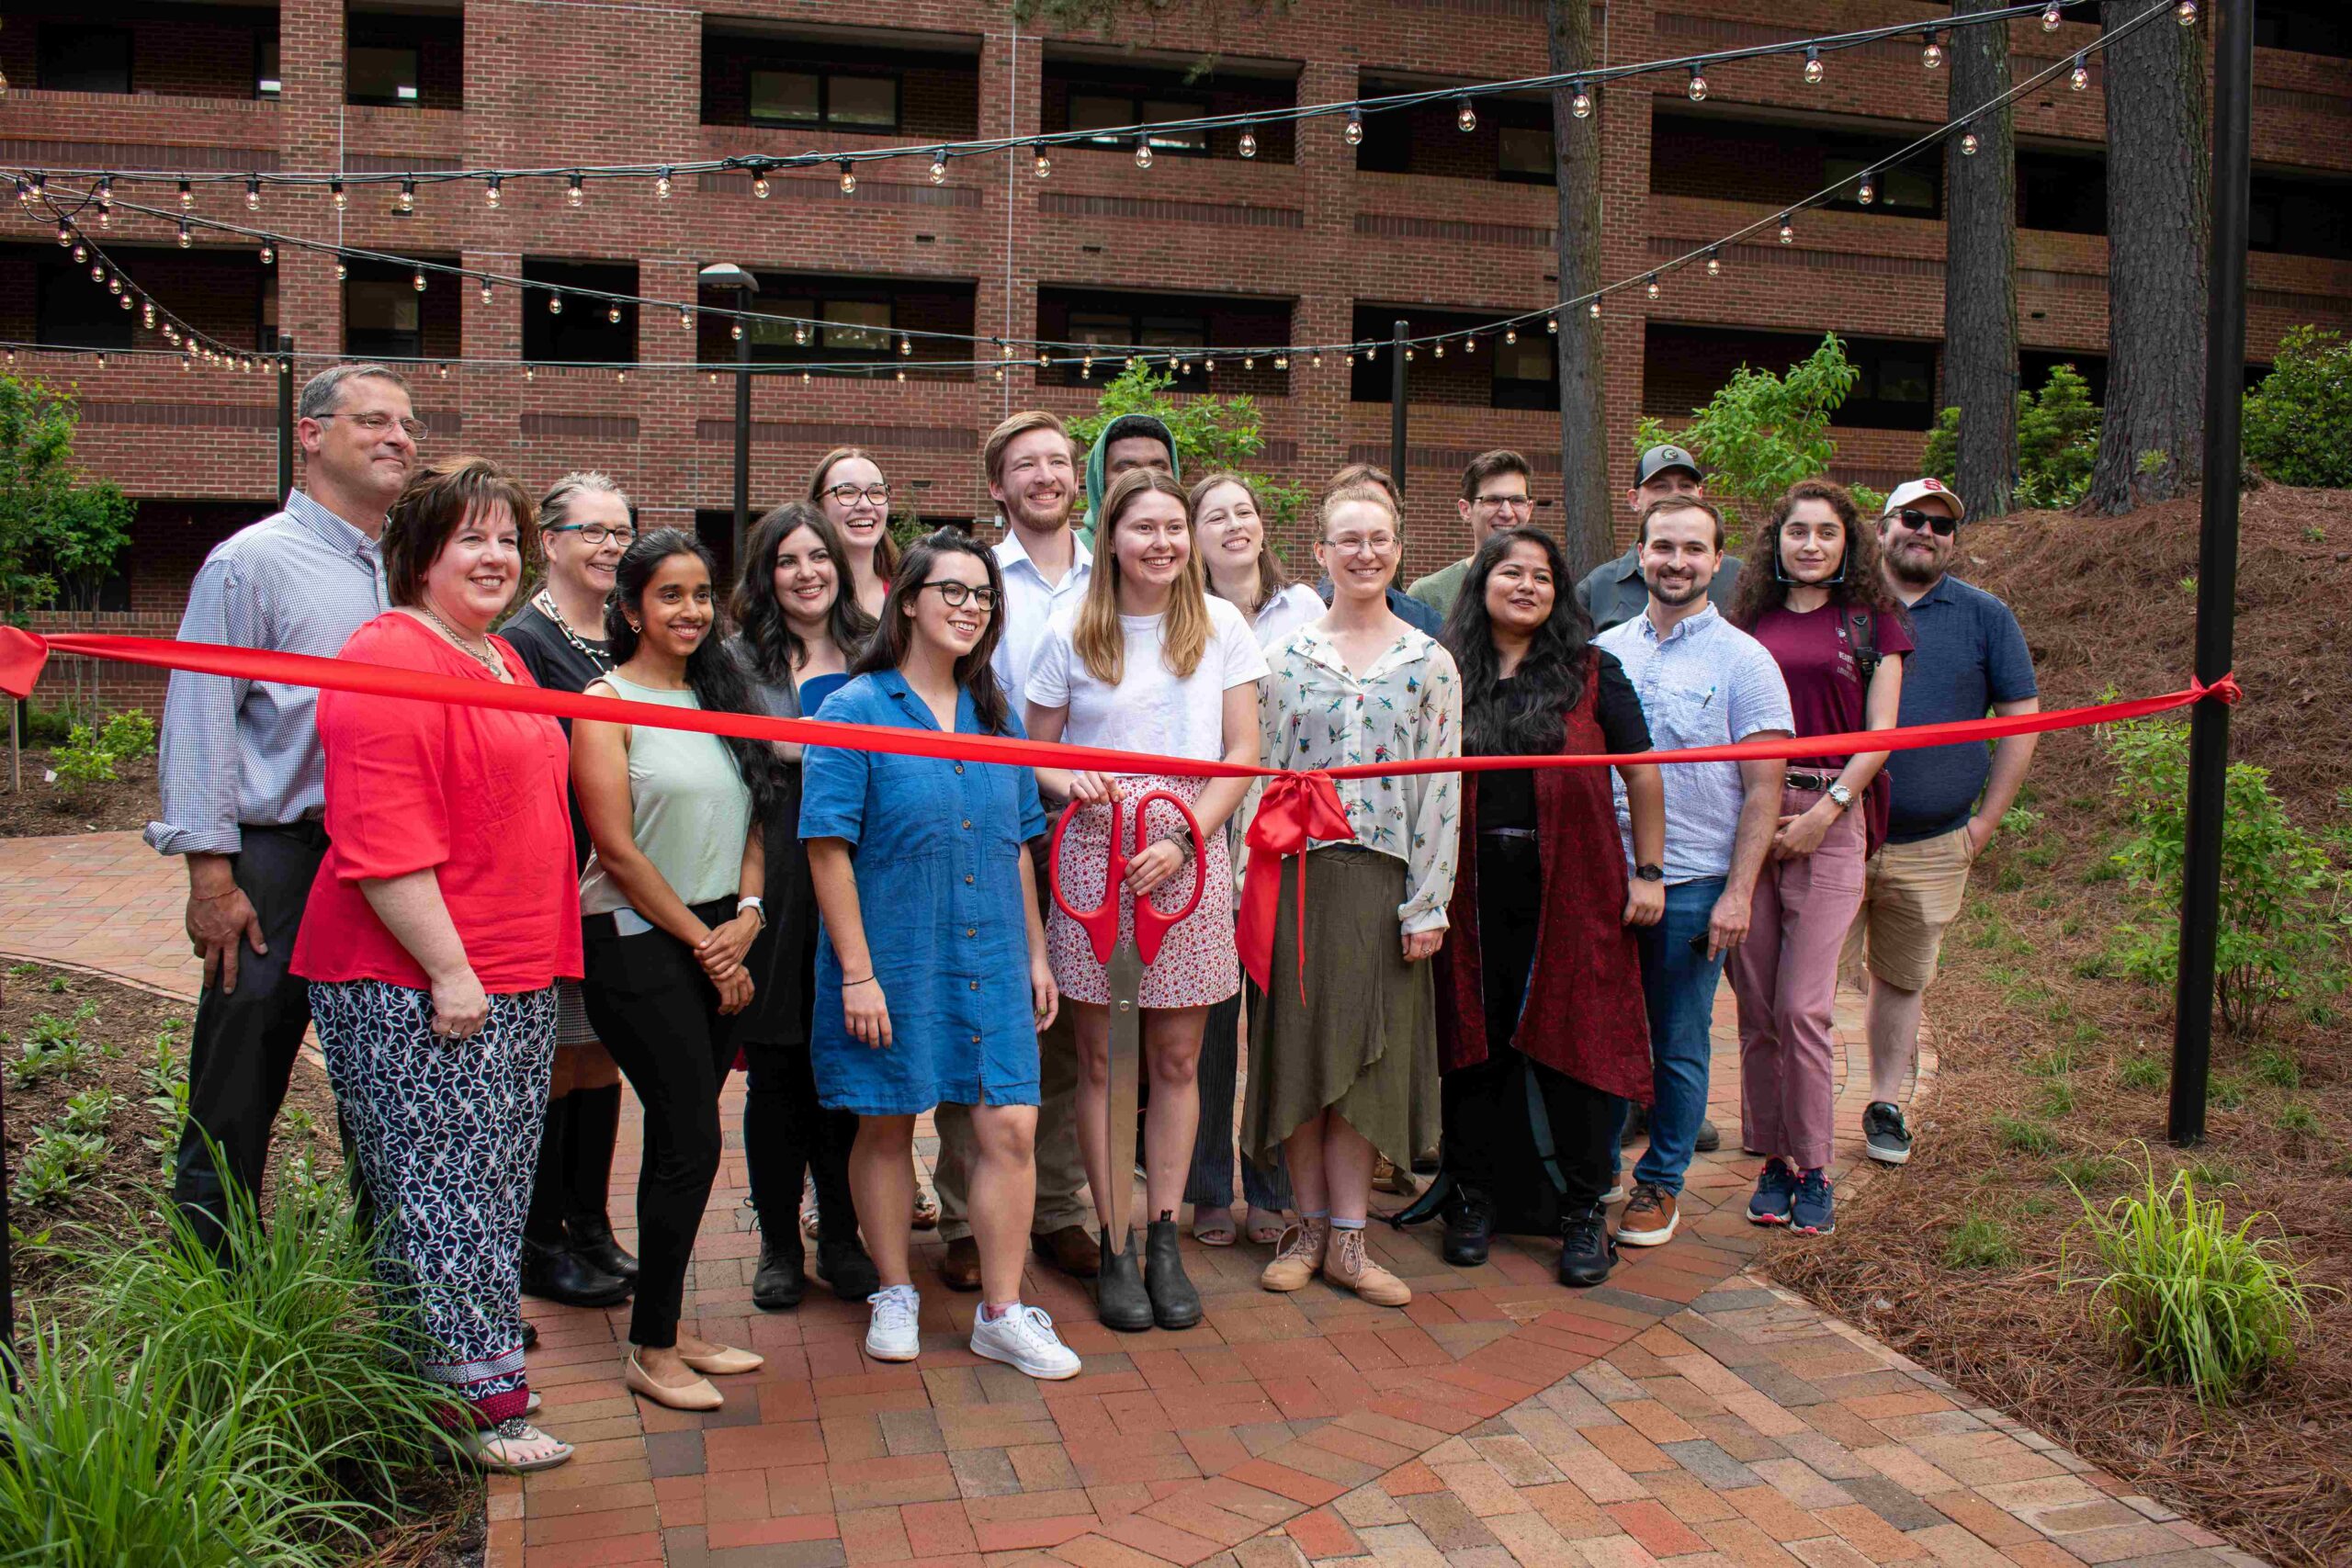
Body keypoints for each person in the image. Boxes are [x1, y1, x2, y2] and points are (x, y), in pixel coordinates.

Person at [290, 455, 576, 1472]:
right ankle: (471, 1412)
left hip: (512, 966)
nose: (497, 555)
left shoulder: (500, 657)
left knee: (491, 1184)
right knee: (441, 1190)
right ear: (419, 555)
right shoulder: (389, 654)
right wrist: (450, 972)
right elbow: (380, 838)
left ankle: (464, 1385)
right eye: (473, 538)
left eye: (507, 537)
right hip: (419, 976)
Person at [146, 362, 418, 1258]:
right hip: (278, 863)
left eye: (405, 425)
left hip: (387, 867)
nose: (397, 439)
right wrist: (210, 875)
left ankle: (398, 1295)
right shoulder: (251, 563)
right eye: (372, 421)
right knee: (239, 1077)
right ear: (310, 434)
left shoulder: (411, 569)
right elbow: (200, 717)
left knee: (386, 1082)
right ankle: (209, 1282)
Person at [801, 530, 1081, 1380]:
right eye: (952, 591)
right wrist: (856, 969)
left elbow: (1018, 846)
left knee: (1010, 1126)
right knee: (886, 1122)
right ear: (909, 602)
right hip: (891, 951)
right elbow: (826, 846)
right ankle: (895, 1290)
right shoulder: (854, 709)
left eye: (983, 596)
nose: (970, 607)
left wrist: (1037, 955)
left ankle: (1001, 1308)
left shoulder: (996, 713)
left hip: (993, 948)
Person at [1025, 469, 1265, 1330]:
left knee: (1175, 1058)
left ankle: (1164, 1234)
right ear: (1111, 538)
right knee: (1100, 1061)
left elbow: (1242, 752)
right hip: (1095, 853)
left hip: (1187, 849)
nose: (1162, 542)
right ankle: (1115, 1240)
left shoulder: (1223, 626)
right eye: (1143, 528)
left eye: (1174, 527)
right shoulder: (1071, 631)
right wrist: (1070, 779)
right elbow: (1037, 752)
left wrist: (1186, 837)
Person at [572, 530, 779, 1413]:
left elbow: (758, 819)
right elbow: (614, 850)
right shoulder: (604, 702)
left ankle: (668, 1320)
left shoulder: (719, 694)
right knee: (691, 1134)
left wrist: (748, 917)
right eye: (669, 595)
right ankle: (650, 1347)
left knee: (681, 1139)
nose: (691, 609)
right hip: (634, 935)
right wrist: (706, 944)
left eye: (701, 593)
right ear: (630, 609)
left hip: (725, 927)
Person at [1242, 478, 1461, 1309]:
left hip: (1385, 883)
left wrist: (1428, 899)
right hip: (1298, 875)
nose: (1365, 553)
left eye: (1380, 538)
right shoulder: (1282, 660)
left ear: (1399, 549)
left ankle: (1350, 1239)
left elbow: (1442, 789)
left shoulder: (1431, 663)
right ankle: (1303, 1228)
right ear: (1322, 554)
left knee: (1367, 1066)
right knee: (1298, 1059)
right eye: (1349, 539)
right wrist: (1241, 884)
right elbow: (1258, 774)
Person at [1430, 528, 1663, 1288]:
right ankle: (1472, 1197)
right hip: (1468, 889)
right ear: (1482, 583)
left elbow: (1644, 773)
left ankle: (1583, 1210)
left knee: (1579, 1048)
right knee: (1474, 1043)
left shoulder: (1593, 672)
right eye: (1510, 572)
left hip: (1575, 887)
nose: (1527, 585)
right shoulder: (1447, 671)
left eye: (1542, 575)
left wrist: (1649, 872)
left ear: (1560, 592)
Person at [1593, 496, 1792, 1251]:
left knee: (1677, 1041)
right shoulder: (1605, 650)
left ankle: (1662, 1180)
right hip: (1608, 880)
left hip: (1696, 882)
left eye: (1694, 548)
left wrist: (1738, 892)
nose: (1677, 561)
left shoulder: (1747, 661)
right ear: (1639, 554)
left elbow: (1765, 790)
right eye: (1663, 546)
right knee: (1606, 1032)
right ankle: (1598, 1165)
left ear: (1716, 559)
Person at [929, 411, 1098, 1292]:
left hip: (1095, 831)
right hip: (988, 825)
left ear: (1078, 477)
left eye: (1058, 461)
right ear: (998, 485)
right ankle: (962, 1212)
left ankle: (1062, 1206)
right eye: (1025, 465)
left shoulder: (1113, 575)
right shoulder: (973, 579)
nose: (1044, 476)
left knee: (1065, 1025)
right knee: (977, 1013)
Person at [1724, 479, 1911, 1238]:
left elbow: (1882, 733)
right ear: (1777, 540)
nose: (1809, 544)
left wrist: (1829, 808)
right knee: (1759, 1005)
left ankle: (1814, 1166)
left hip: (1832, 816)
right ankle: (1772, 1156)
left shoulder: (1874, 622)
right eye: (1796, 531)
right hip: (1750, 817)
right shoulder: (1747, 620)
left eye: (1825, 532)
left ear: (1848, 542)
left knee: (1805, 1004)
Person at [1846, 479, 2036, 1165]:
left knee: (1902, 978)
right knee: (1792, 983)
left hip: (1933, 839)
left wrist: (1984, 823)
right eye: (1912, 518)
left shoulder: (1987, 617)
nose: (1926, 532)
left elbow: (2022, 722)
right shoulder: (1847, 604)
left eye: (1941, 525)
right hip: (1834, 833)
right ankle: (1782, 1119)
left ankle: (1885, 1104)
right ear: (1883, 525)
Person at [729, 502, 883, 1310]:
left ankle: (844, 1234)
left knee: (848, 1063)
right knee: (778, 1070)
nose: (807, 573)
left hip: (859, 868)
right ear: (767, 573)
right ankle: (779, 1243)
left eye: (817, 557)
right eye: (787, 560)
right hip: (775, 871)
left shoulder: (874, 649)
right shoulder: (732, 660)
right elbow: (735, 752)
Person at [498, 471, 638, 1313]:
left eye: (620, 532)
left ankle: (591, 1225)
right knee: (553, 1058)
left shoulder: (623, 635)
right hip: (557, 882)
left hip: (622, 885)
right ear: (547, 542)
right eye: (591, 531)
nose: (610, 547)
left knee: (601, 1052)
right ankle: (541, 1237)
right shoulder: (522, 645)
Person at [1184, 471, 1317, 1246]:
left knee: (1274, 1022)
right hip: (1206, 826)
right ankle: (1206, 1186)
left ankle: (1267, 1182)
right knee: (1207, 1026)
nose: (1234, 525)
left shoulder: (1307, 608)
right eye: (1215, 515)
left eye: (1245, 511)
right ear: (1195, 534)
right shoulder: (1181, 613)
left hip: (1285, 836)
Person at [1573, 445, 1744, 634]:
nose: (1675, 495)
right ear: (1634, 499)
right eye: (1661, 486)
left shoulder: (1738, 578)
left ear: (1700, 496)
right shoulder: (1598, 588)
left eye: (1685, 486)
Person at [1311, 463, 1443, 637]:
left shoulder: (1425, 623)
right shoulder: (1298, 617)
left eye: (1378, 505)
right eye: (1350, 539)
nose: (1367, 555)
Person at [1406, 450, 1536, 622]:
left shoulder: (1547, 593)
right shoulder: (1429, 596)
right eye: (1493, 500)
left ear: (1529, 508)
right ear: (1465, 510)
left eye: (1517, 500)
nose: (1507, 512)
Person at [808, 447, 899, 620]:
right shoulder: (802, 598)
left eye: (876, 492)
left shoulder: (907, 600)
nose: (865, 505)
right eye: (847, 492)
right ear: (817, 507)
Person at [1077, 412, 1180, 545]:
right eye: (1127, 470)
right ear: (1100, 481)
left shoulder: (1195, 551)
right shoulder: (1072, 554)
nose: (1146, 478)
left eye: (1158, 469)